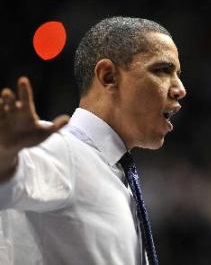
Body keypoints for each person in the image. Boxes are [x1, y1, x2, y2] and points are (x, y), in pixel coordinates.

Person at [0, 16, 186, 264]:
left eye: (177, 73)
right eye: (162, 70)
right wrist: (5, 152)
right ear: (108, 76)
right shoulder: (61, 148)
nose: (180, 88)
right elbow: (8, 182)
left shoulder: (117, 172)